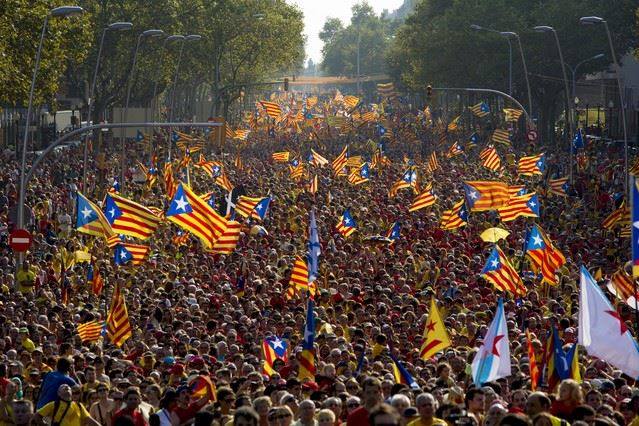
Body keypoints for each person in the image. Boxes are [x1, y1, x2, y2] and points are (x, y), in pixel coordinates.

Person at [33, 384, 99, 426]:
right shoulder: (53, 404)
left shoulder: (79, 405)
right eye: (63, 387)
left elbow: (90, 420)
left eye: (68, 387)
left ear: (71, 392)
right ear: (58, 393)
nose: (66, 386)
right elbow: (36, 416)